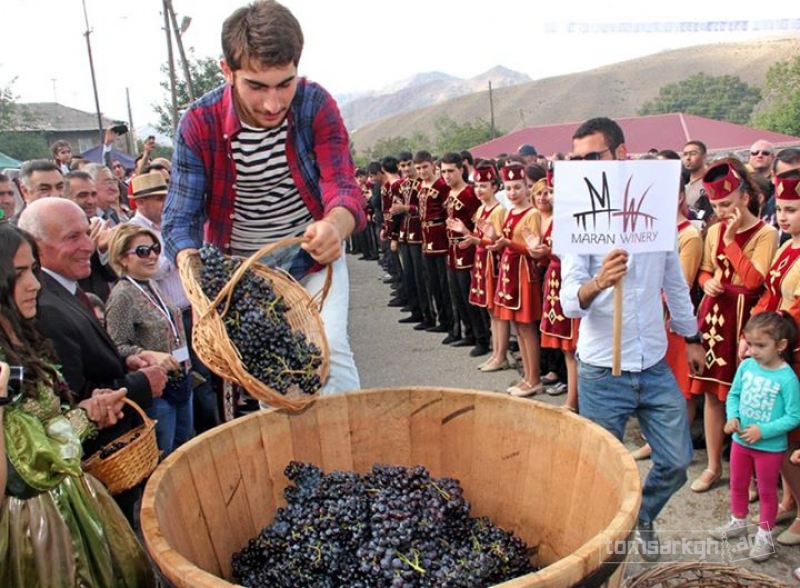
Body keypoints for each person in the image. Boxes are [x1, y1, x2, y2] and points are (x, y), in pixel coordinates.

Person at [162, 0, 365, 395]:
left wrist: (334, 225)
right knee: (272, 377)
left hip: (311, 259)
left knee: (332, 351)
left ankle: (352, 434)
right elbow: (179, 218)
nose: (273, 104)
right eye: (256, 86)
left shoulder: (315, 103)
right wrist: (195, 274)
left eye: (285, 84)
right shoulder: (199, 123)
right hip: (243, 275)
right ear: (227, 71)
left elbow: (342, 184)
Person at [560, 116, 706, 561]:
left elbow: (674, 284)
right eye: (578, 160)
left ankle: (641, 515)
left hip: (654, 365)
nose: (585, 166)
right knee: (603, 469)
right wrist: (599, 282)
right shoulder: (579, 218)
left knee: (677, 460)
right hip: (602, 370)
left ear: (621, 153)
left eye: (594, 156)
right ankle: (603, 552)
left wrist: (692, 336)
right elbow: (569, 302)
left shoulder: (654, 210)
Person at [0, 222, 155, 588]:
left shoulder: (23, 336)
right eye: (19, 274)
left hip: (73, 499)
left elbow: (45, 420)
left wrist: (89, 409)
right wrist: (85, 416)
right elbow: (26, 467)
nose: (34, 284)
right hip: (37, 527)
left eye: (34, 270)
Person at [18, 198, 167, 524]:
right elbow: (73, 399)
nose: (88, 245)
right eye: (72, 237)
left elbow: (87, 358)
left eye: (87, 233)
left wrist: (125, 362)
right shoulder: (44, 307)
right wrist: (141, 385)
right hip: (98, 471)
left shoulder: (67, 290)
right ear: (36, 246)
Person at [689, 158, 778, 493]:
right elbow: (705, 270)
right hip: (714, 317)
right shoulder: (713, 231)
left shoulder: (766, 233)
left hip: (746, 320)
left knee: (748, 399)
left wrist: (730, 241)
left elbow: (754, 280)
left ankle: (754, 476)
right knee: (713, 396)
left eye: (727, 204)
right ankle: (713, 466)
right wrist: (707, 281)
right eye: (716, 206)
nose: (722, 211)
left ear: (744, 196)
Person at [709, 312, 800, 562]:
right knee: (738, 484)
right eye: (750, 344)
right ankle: (738, 521)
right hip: (740, 442)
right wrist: (733, 417)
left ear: (781, 345)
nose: (753, 351)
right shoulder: (747, 366)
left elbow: (794, 416)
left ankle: (764, 537)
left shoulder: (787, 378)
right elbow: (734, 395)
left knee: (768, 492)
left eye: (761, 345)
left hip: (769, 448)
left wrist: (763, 431)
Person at [106, 224, 190, 456]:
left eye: (155, 249)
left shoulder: (152, 284)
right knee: (165, 454)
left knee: (185, 448)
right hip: (158, 392)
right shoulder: (122, 296)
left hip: (181, 381)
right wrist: (148, 355)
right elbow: (116, 346)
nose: (152, 255)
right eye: (143, 251)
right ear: (122, 258)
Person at [447, 163, 508, 371]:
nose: (479, 190)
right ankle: (496, 354)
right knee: (490, 310)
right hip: (482, 262)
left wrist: (474, 239)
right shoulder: (481, 209)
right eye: (476, 186)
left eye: (484, 186)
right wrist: (466, 233)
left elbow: (498, 243)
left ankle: (501, 355)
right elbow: (478, 237)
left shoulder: (499, 211)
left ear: (494, 187)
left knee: (497, 311)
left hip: (493, 263)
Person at [526, 174, 580, 410]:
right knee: (563, 344)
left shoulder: (572, 219)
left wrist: (546, 251)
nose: (549, 196)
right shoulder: (557, 219)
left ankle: (574, 401)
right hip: (555, 276)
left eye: (553, 191)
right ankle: (573, 397)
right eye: (548, 191)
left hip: (568, 278)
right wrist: (539, 251)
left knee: (571, 345)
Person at [488, 164, 542, 396]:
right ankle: (527, 377)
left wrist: (508, 244)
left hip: (523, 274)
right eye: (508, 188)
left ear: (526, 188)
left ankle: (535, 378)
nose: (512, 192)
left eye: (517, 187)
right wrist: (494, 238)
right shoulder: (510, 212)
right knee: (518, 328)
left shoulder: (532, 214)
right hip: (509, 272)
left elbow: (534, 251)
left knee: (527, 327)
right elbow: (504, 242)